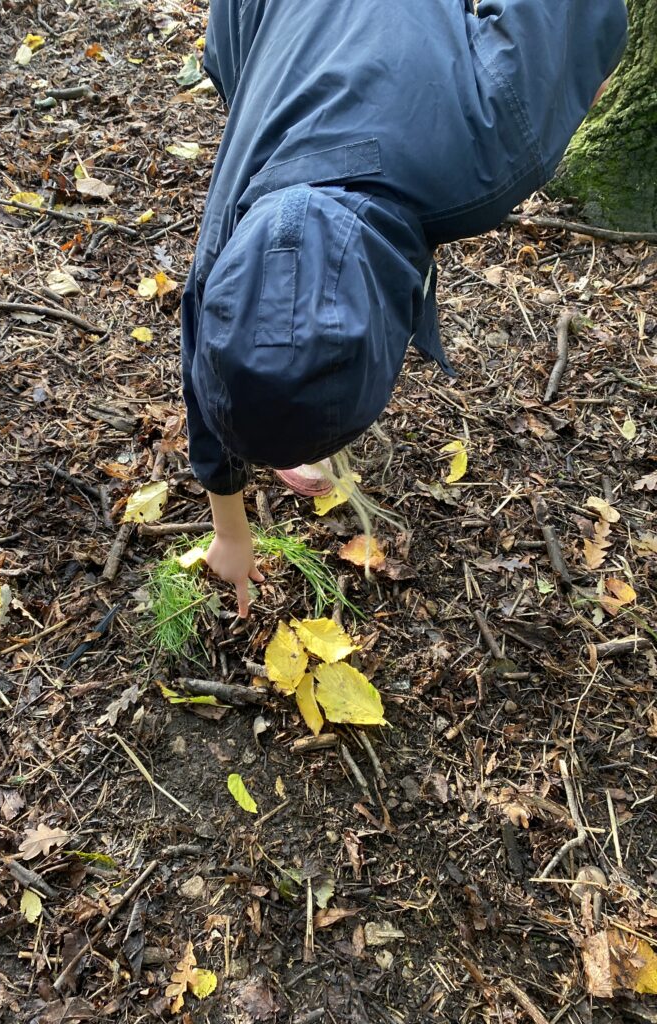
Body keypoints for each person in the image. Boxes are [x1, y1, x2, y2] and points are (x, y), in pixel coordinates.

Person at [180, 0, 628, 617]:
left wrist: (577, 67)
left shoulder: (491, 150)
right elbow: (203, 343)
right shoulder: (231, 230)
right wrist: (230, 533)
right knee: (242, 73)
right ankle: (305, 411)